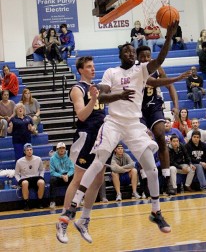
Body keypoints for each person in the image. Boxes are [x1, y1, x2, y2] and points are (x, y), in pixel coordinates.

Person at [59, 21, 179, 237]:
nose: (131, 53)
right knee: (97, 163)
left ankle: (156, 211)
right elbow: (101, 97)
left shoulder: (142, 70)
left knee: (151, 168)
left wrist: (169, 36)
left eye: (133, 50)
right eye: (127, 51)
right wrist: (119, 95)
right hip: (113, 122)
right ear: (121, 55)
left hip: (134, 124)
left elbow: (160, 60)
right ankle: (74, 206)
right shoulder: (111, 72)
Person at [56, 56, 133, 244]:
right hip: (86, 136)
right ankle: (63, 221)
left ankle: (84, 220)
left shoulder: (99, 87)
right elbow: (81, 115)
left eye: (93, 66)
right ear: (80, 70)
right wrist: (94, 99)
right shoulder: (77, 89)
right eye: (89, 67)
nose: (93, 69)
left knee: (98, 180)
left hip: (103, 135)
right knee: (79, 179)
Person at [137, 46, 189, 195]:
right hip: (138, 108)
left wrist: (176, 106)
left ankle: (167, 180)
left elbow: (170, 86)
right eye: (143, 57)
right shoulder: (136, 70)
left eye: (148, 56)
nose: (146, 59)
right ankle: (145, 179)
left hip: (154, 106)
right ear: (138, 58)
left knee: (160, 135)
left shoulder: (158, 68)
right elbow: (153, 82)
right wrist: (177, 77)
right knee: (142, 142)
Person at [15, 143, 45, 210]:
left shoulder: (38, 159)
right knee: (25, 183)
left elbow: (42, 170)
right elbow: (16, 174)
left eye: (30, 149)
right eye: (27, 150)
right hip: (25, 178)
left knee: (42, 182)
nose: (29, 151)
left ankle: (40, 202)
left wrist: (41, 176)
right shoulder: (19, 161)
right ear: (24, 152)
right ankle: (26, 203)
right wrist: (19, 181)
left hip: (36, 178)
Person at [49, 142, 75, 209]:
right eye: (60, 148)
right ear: (57, 149)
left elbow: (72, 169)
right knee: (52, 180)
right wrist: (61, 176)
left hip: (67, 175)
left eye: (63, 148)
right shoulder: (52, 158)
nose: (62, 149)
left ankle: (77, 199)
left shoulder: (69, 157)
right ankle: (52, 201)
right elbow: (52, 172)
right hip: (58, 176)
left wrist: (68, 175)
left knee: (75, 177)